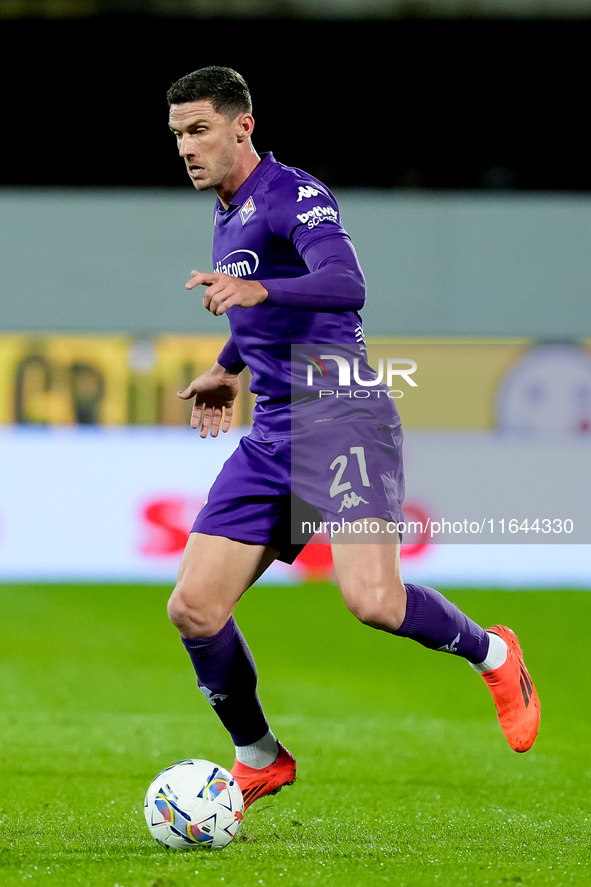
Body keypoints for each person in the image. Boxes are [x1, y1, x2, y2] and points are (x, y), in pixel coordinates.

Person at [165, 66, 540, 810]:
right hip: (273, 432)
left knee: (372, 600)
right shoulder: (226, 207)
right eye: (176, 133)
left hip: (342, 420)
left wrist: (258, 290)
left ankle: (494, 652)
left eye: (198, 128)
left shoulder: (290, 194)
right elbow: (260, 310)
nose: (185, 146)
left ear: (243, 125)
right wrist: (225, 366)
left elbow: (343, 283)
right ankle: (259, 755)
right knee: (194, 608)